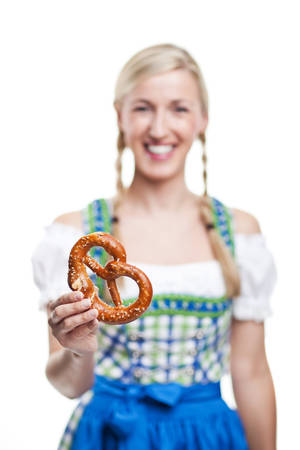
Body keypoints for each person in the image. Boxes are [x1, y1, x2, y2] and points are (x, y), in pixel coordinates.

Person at [32, 43, 277, 449]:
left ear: (203, 119)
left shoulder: (239, 233)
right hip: (109, 435)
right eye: (143, 107)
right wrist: (78, 350)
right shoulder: (73, 233)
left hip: (208, 437)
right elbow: (68, 385)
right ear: (120, 117)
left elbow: (250, 372)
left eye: (179, 108)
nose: (160, 129)